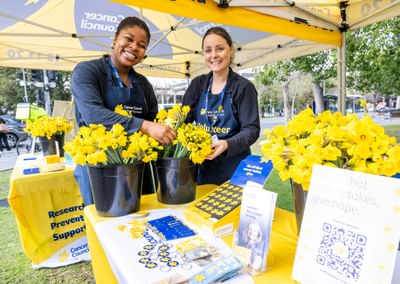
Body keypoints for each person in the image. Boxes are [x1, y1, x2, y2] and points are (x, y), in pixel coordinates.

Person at [71, 17, 176, 205]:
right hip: (100, 166)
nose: (134, 47)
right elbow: (93, 115)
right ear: (114, 41)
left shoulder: (143, 84)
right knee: (104, 226)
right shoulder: (87, 72)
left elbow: (154, 120)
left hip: (137, 168)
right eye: (128, 39)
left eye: (141, 45)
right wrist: (144, 126)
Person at [182, 27, 260, 185]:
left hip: (235, 168)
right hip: (203, 167)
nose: (213, 55)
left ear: (231, 51)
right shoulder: (197, 84)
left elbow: (251, 130)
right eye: (208, 50)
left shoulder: (243, 87)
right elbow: (183, 122)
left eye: (220, 49)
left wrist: (226, 144)